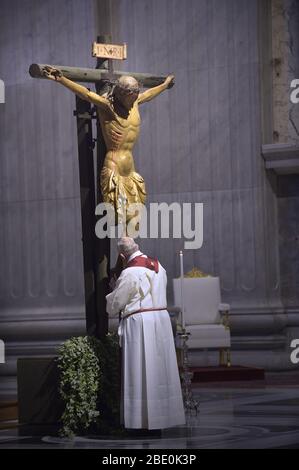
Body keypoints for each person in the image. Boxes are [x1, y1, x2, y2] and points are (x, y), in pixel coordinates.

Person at [43, 67, 175, 226]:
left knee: (134, 217)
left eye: (135, 94)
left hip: (130, 167)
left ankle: (128, 247)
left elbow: (149, 94)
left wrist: (165, 85)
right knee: (118, 215)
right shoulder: (107, 106)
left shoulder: (135, 103)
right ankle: (119, 247)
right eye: (130, 95)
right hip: (114, 164)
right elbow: (86, 94)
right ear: (120, 94)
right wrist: (62, 79)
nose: (133, 99)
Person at [106, 237, 185, 431]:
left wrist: (112, 289)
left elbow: (114, 305)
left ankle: (140, 420)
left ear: (122, 256)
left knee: (140, 370)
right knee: (159, 370)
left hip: (139, 324)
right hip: (161, 321)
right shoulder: (159, 266)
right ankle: (163, 416)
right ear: (137, 248)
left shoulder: (130, 273)